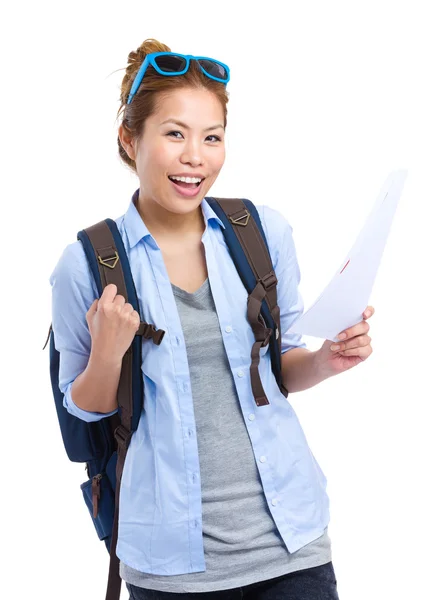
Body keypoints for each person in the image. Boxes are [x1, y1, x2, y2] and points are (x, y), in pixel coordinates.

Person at [49, 38, 374, 600]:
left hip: (291, 543)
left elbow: (278, 369)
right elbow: (86, 410)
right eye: (174, 133)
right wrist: (107, 351)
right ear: (131, 139)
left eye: (212, 137)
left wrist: (325, 361)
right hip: (171, 562)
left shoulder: (260, 232)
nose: (195, 156)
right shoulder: (87, 262)